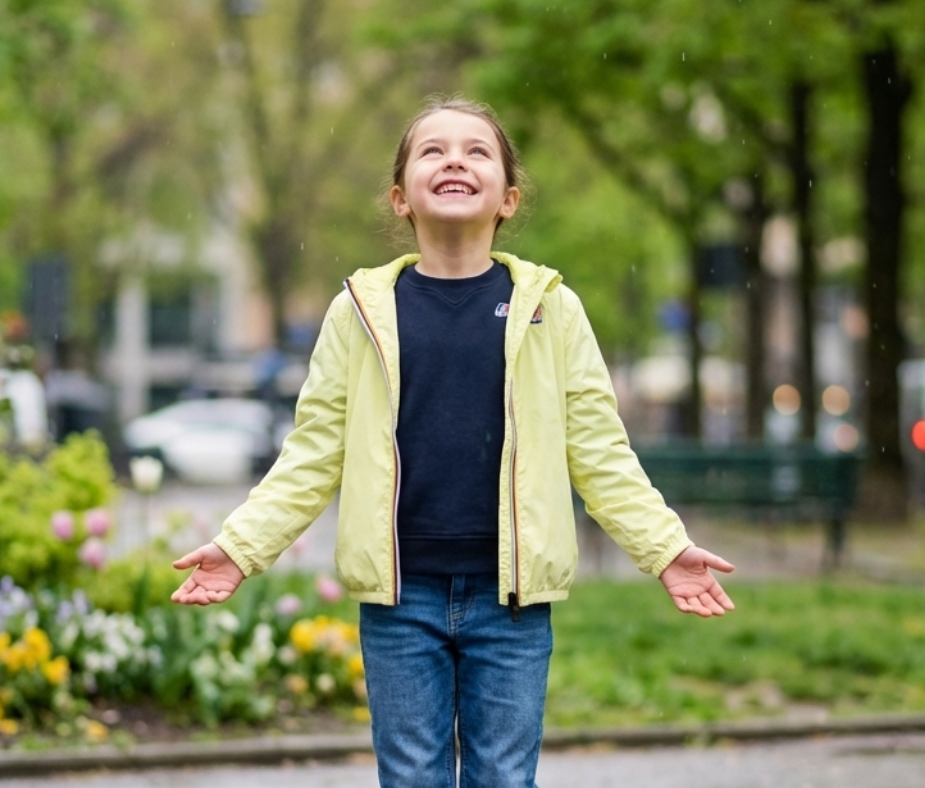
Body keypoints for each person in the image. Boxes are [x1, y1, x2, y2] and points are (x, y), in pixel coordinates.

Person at [171, 95, 735, 788]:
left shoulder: (551, 309)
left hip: (514, 602)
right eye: (432, 151)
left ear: (508, 197)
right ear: (400, 196)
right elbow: (313, 455)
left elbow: (599, 452)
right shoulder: (358, 313)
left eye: (476, 151)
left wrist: (666, 548)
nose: (455, 161)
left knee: (502, 777)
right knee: (411, 778)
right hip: (400, 597)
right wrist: (239, 547)